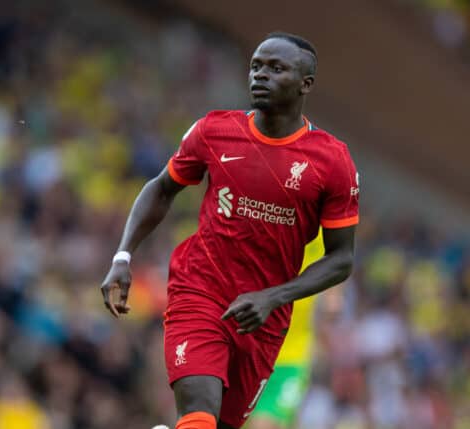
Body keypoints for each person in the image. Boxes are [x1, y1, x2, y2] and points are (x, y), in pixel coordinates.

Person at [100, 32, 359, 429]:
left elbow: (341, 258)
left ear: (305, 84)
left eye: (276, 69)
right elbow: (162, 187)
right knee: (198, 416)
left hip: (263, 319)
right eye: (256, 66)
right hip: (200, 291)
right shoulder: (214, 130)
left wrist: (273, 297)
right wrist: (123, 255)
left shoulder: (331, 161)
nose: (260, 75)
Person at [247, 232, 324, 429]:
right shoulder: (261, 216)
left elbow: (338, 262)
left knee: (267, 422)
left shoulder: (324, 226)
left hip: (291, 357)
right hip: (250, 351)